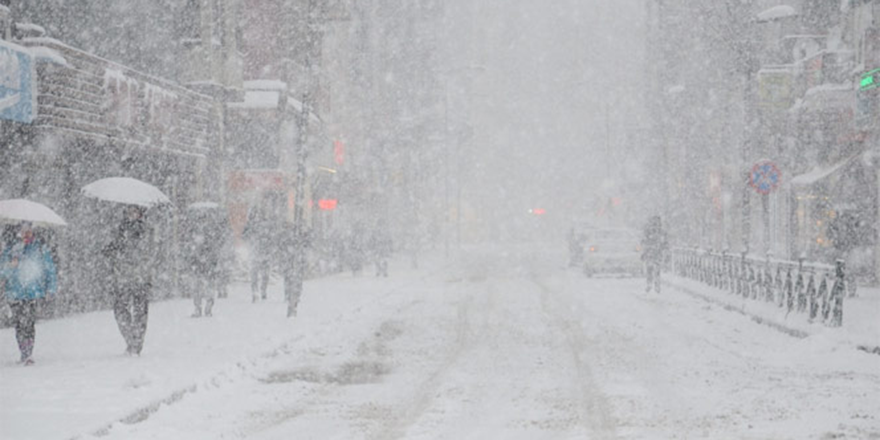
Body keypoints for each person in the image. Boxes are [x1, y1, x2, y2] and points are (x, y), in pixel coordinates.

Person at [0, 222, 58, 365]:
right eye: (23, 231)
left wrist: (51, 289)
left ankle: (28, 353)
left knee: (29, 323)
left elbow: (50, 270)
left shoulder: (40, 248)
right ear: (18, 232)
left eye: (29, 231)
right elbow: (2, 273)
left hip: (33, 293)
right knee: (19, 324)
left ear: (33, 232)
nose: (26, 234)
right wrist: (11, 265)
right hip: (14, 293)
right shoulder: (10, 250)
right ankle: (23, 352)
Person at [103, 205, 154, 356]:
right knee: (120, 310)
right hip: (122, 277)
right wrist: (111, 249)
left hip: (141, 277)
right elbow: (114, 250)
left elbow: (149, 252)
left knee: (140, 312)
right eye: (129, 211)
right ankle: (131, 340)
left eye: (135, 211)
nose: (132, 214)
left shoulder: (147, 230)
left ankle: (137, 343)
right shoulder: (119, 230)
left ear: (140, 213)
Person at [242, 201, 275, 302]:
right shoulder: (267, 224)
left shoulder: (250, 225)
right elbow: (272, 238)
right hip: (263, 253)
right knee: (263, 274)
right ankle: (261, 290)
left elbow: (244, 236)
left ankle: (256, 291)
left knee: (255, 275)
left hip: (256, 252)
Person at [641, 215, 668, 293]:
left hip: (654, 253)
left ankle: (653, 285)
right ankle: (654, 285)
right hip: (654, 253)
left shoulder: (652, 232)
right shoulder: (656, 232)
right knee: (653, 270)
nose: (656, 224)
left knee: (653, 270)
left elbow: (643, 242)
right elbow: (665, 243)